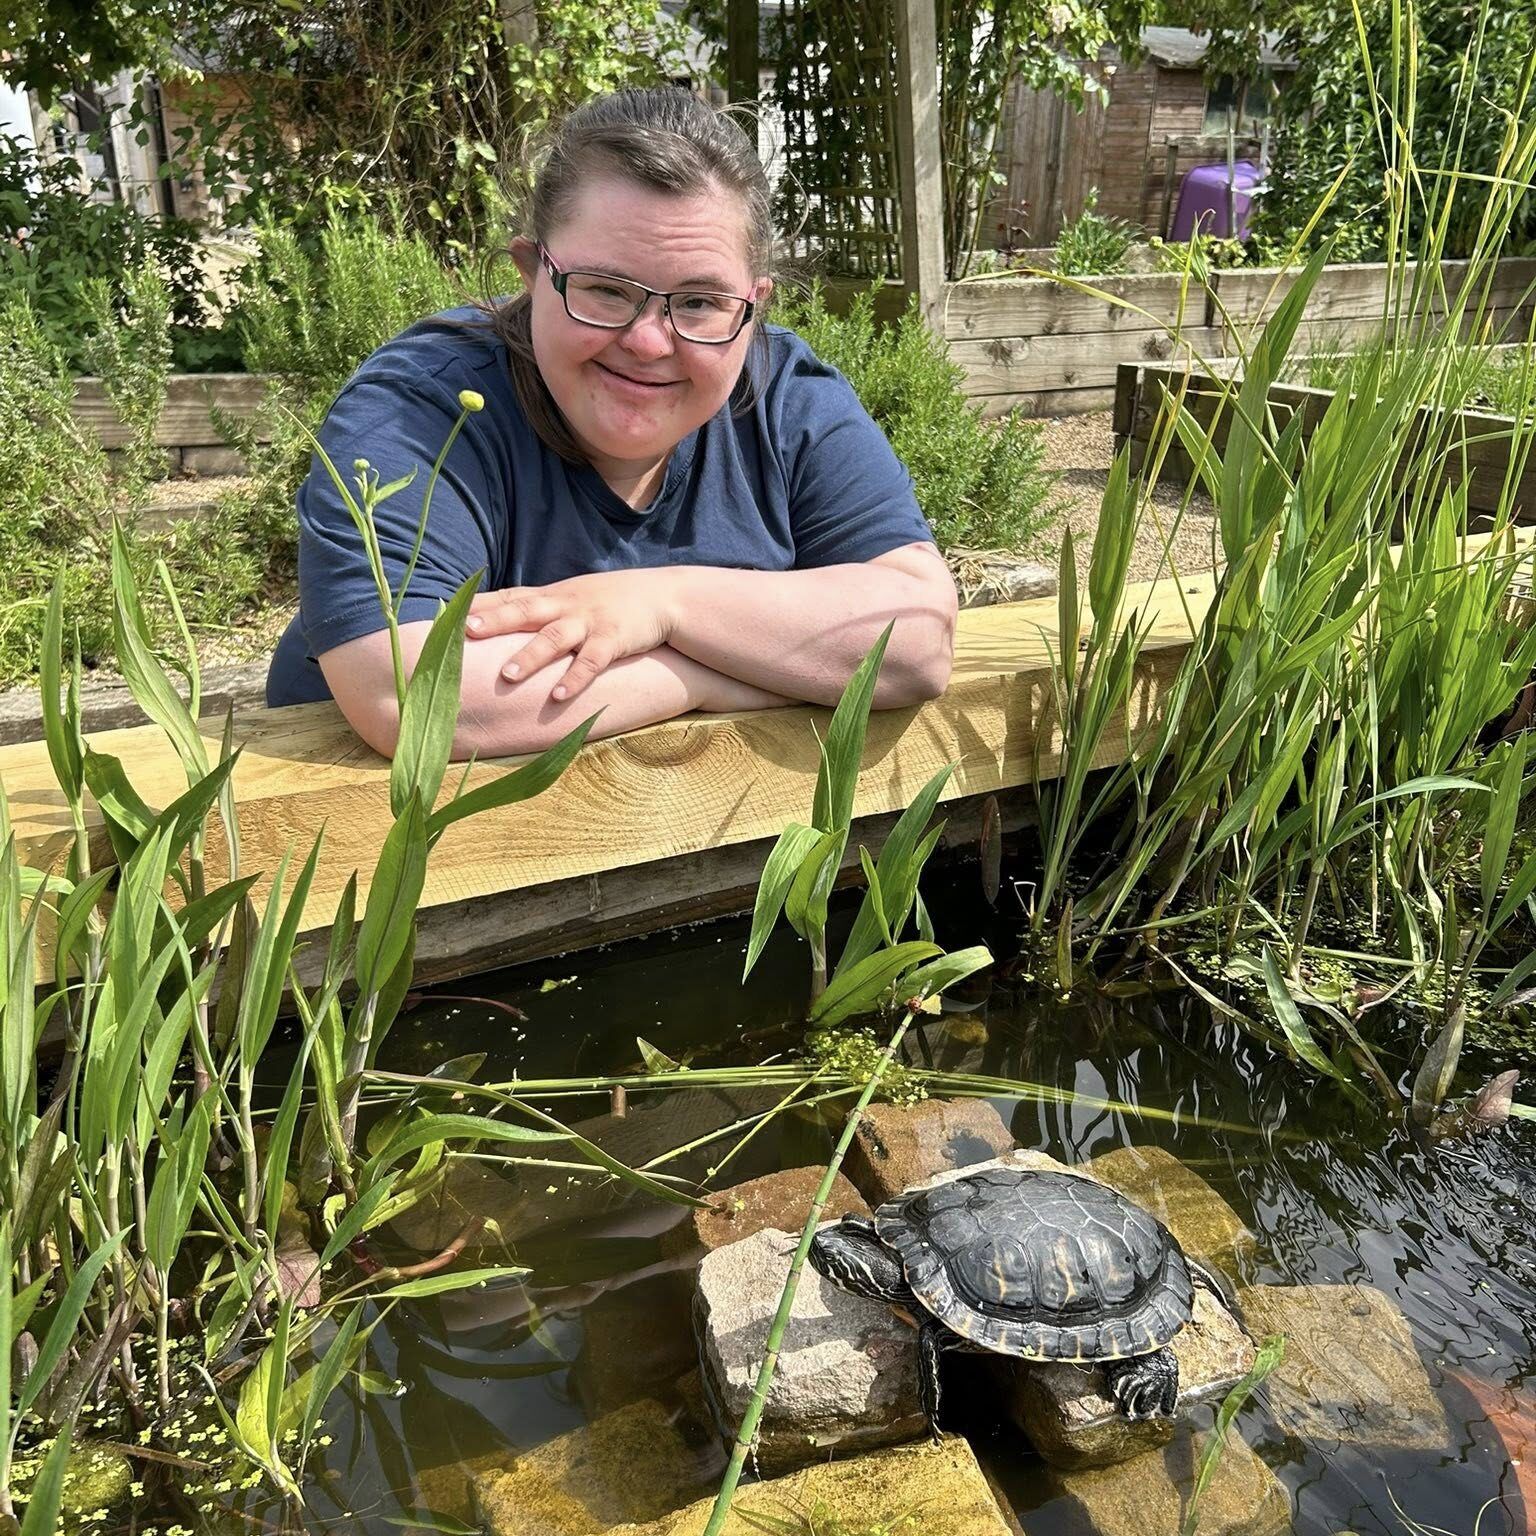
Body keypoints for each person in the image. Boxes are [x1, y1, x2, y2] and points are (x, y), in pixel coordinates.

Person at [266, 86, 958, 758]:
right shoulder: (422, 410)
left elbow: (917, 641)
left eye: (699, 303)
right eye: (604, 290)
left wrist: (662, 603)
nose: (650, 342)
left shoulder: (788, 399)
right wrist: (709, 674)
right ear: (533, 272)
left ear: (754, 304)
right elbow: (411, 699)